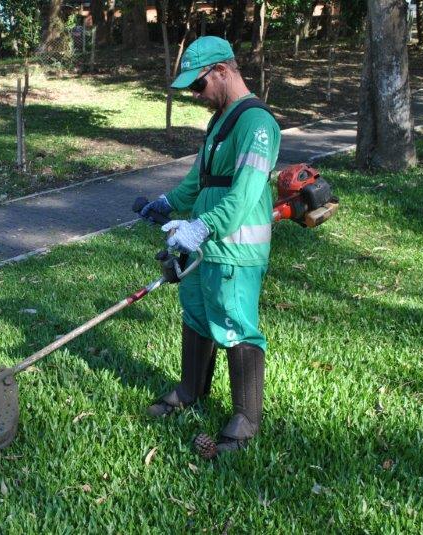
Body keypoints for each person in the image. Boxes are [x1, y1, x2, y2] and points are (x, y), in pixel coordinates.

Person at [139, 36, 281, 453]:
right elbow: (201, 179)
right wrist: (168, 203)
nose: (196, 96)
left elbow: (243, 194)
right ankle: (190, 391)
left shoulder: (257, 124)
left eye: (198, 86)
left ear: (222, 70)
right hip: (205, 247)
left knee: (234, 325)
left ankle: (245, 419)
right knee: (198, 316)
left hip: (234, 246)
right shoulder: (221, 120)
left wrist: (202, 227)